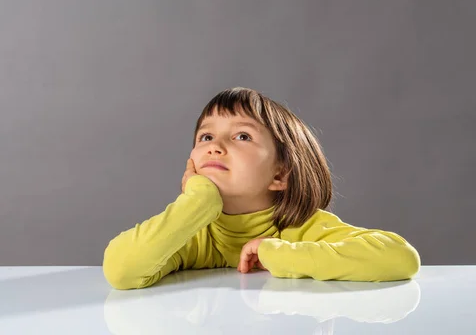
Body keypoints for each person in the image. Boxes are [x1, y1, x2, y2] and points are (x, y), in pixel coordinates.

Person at [103, 87, 420, 290]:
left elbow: (399, 258)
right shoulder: (191, 234)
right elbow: (121, 270)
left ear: (280, 174)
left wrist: (279, 255)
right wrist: (196, 203)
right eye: (206, 137)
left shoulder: (301, 229)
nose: (215, 147)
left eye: (242, 136)